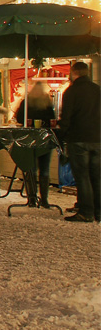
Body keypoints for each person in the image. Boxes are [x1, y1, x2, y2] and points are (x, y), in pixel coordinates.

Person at [59, 62, 101, 222]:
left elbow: (66, 118)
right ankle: (99, 211)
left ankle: (86, 211)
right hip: (97, 138)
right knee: (97, 176)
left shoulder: (71, 91)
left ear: (73, 73)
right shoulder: (97, 90)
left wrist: (61, 135)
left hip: (78, 138)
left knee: (82, 176)